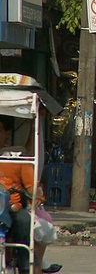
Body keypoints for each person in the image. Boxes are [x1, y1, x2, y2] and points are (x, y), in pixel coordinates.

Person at [0, 115, 61, 274]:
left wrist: (34, 196)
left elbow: (31, 187)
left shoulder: (17, 159)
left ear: (6, 133)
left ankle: (25, 264)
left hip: (10, 209)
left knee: (24, 220)